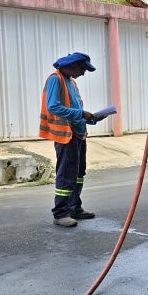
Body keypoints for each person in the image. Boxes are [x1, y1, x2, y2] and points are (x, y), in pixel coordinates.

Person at [39, 52, 103, 227]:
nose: (83, 73)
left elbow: (74, 108)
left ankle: (74, 207)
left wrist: (88, 117)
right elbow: (53, 106)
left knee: (78, 173)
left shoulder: (72, 82)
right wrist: (81, 113)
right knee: (66, 174)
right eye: (82, 69)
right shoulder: (55, 79)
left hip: (78, 133)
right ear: (72, 65)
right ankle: (60, 213)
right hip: (65, 136)